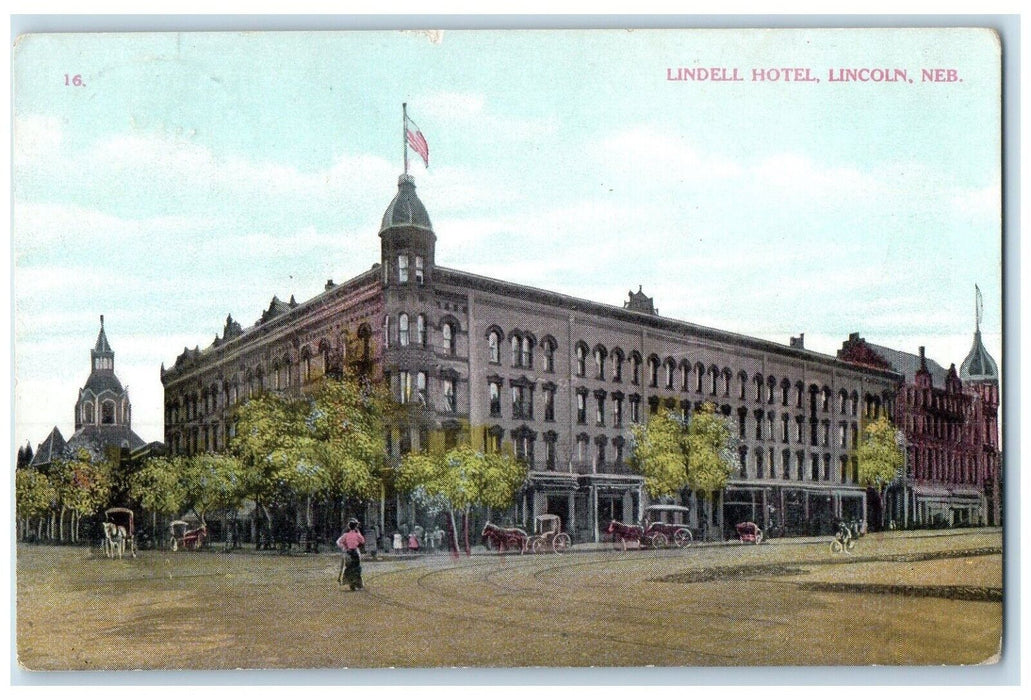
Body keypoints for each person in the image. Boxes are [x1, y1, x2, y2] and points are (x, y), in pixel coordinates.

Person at [336, 519, 366, 591]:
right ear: (355, 527)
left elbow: (338, 542)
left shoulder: (345, 535)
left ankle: (350, 583)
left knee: (349, 568)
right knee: (357, 568)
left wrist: (344, 547)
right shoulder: (357, 535)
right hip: (355, 552)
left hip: (348, 553)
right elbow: (362, 541)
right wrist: (358, 532)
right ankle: (358, 584)